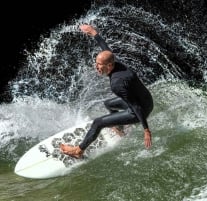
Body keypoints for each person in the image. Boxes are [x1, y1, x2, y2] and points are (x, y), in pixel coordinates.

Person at [60, 24, 153, 158]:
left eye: (99, 65)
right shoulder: (116, 63)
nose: (96, 67)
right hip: (146, 100)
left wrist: (146, 130)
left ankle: (78, 151)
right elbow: (106, 49)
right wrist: (93, 33)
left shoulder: (117, 84)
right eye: (96, 63)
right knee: (109, 104)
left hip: (140, 110)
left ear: (109, 66)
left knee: (98, 123)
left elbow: (135, 106)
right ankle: (120, 129)